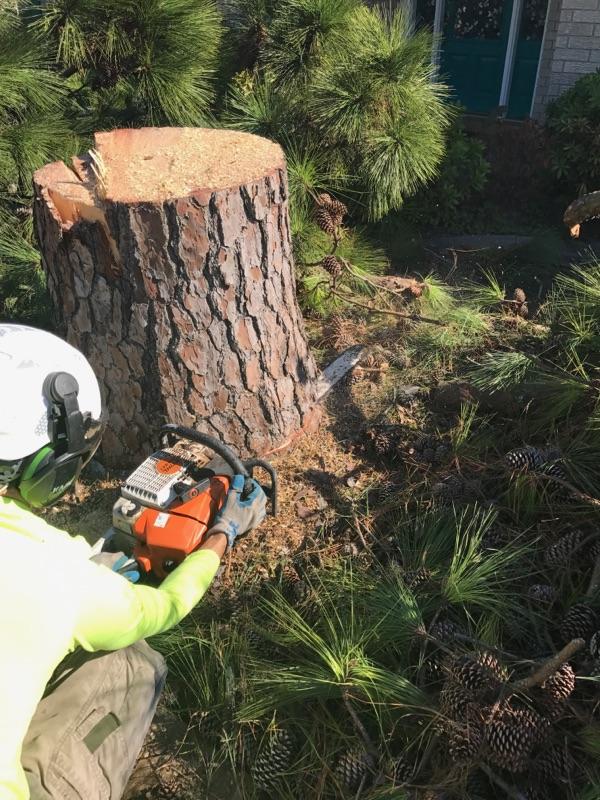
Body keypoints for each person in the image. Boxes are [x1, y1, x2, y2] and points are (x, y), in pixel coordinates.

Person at [0, 323, 267, 800]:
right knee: (133, 660)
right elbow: (165, 607)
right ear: (49, 465)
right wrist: (223, 531)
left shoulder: (61, 568)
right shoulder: (59, 577)